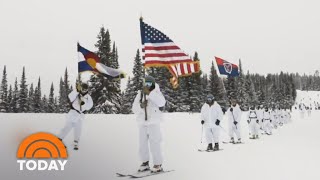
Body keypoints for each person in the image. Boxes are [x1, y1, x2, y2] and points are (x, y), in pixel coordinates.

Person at [132, 76, 166, 173]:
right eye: (146, 83)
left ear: (153, 83)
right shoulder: (140, 94)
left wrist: (150, 94)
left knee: (155, 143)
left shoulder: (156, 92)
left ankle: (157, 164)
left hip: (154, 122)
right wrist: (141, 106)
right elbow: (134, 109)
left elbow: (162, 102)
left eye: (149, 83)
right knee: (142, 144)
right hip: (142, 122)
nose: (147, 85)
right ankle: (145, 162)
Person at [58, 82, 93, 150]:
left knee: (78, 129)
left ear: (87, 90)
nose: (84, 90)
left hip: (80, 115)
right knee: (67, 127)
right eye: (83, 89)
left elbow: (90, 105)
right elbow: (70, 97)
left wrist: (84, 106)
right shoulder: (76, 93)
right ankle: (59, 139)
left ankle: (76, 143)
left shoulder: (88, 97)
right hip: (73, 113)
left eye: (85, 89)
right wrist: (77, 90)